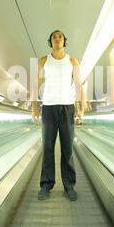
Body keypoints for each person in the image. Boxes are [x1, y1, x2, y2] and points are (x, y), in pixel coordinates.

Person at [32, 30, 85, 201]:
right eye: (54, 36)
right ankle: (46, 185)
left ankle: (69, 186)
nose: (57, 38)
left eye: (60, 36)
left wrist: (81, 109)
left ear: (64, 41)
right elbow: (35, 85)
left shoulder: (72, 61)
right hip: (48, 107)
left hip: (67, 108)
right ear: (50, 41)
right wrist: (34, 108)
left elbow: (78, 86)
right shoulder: (43, 61)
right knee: (47, 148)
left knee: (67, 149)